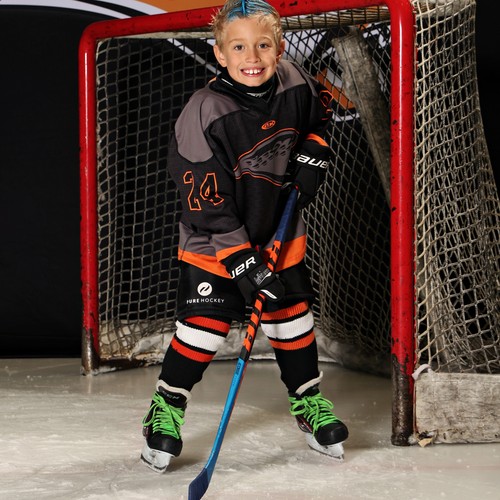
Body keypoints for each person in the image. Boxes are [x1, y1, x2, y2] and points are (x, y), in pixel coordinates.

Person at [140, 0, 348, 472]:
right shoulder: (204, 111)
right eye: (238, 47)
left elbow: (320, 118)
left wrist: (314, 151)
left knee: (291, 319)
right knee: (204, 329)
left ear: (279, 49)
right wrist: (240, 259)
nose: (251, 57)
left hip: (278, 234)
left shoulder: (296, 82)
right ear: (219, 53)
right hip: (214, 244)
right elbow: (205, 199)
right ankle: (166, 407)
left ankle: (308, 402)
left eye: (263, 45)